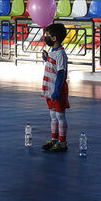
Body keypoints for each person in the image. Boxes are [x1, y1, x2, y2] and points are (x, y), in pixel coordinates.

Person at [41, 23, 70, 152]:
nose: (45, 37)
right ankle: (54, 139)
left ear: (54, 38)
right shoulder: (53, 53)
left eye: (47, 35)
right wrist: (46, 58)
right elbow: (52, 66)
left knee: (60, 116)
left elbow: (61, 73)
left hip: (56, 90)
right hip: (49, 89)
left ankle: (62, 142)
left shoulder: (61, 54)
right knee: (52, 115)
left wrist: (57, 91)